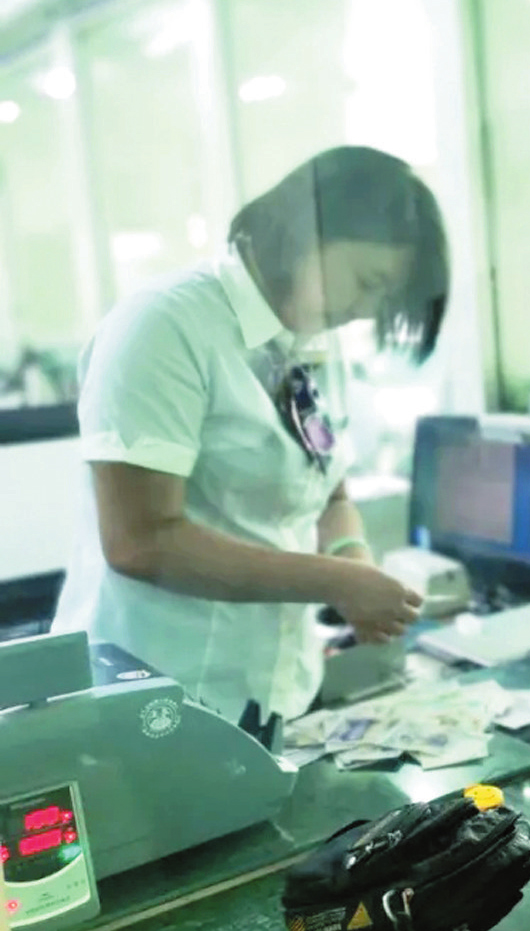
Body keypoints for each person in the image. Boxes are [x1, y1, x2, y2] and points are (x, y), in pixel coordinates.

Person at [52, 146, 450, 725]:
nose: (365, 310)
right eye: (367, 282)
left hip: (274, 694)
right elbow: (140, 540)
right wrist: (337, 582)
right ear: (306, 232)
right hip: (154, 699)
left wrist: (354, 561)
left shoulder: (312, 344)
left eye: (383, 297)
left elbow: (331, 494)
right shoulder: (164, 326)